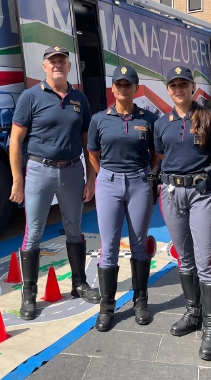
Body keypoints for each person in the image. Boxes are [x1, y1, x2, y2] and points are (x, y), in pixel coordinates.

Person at [10, 45, 100, 321]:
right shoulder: (30, 97)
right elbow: (15, 140)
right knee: (33, 231)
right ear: (44, 66)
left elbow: (89, 144)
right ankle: (29, 294)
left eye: (62, 60)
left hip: (72, 171)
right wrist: (18, 179)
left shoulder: (79, 99)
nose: (57, 65)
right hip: (39, 170)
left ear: (69, 66)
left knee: (74, 228)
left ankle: (79, 283)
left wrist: (91, 177)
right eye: (53, 61)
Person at [155, 66, 211, 361]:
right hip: (171, 193)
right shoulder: (162, 123)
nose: (178, 88)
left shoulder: (210, 117)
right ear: (168, 89)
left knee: (205, 260)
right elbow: (160, 157)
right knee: (183, 257)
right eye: (173, 84)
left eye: (183, 83)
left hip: (202, 193)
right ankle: (193, 312)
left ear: (193, 87)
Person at [87, 65, 159, 332]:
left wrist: (144, 174)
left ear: (135, 88)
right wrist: (104, 177)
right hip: (109, 183)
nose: (122, 88)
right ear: (113, 88)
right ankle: (107, 306)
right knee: (110, 246)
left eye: (127, 84)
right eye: (118, 84)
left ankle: (140, 301)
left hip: (140, 182)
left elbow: (155, 154)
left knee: (139, 244)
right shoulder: (99, 119)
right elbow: (93, 152)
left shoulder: (148, 119)